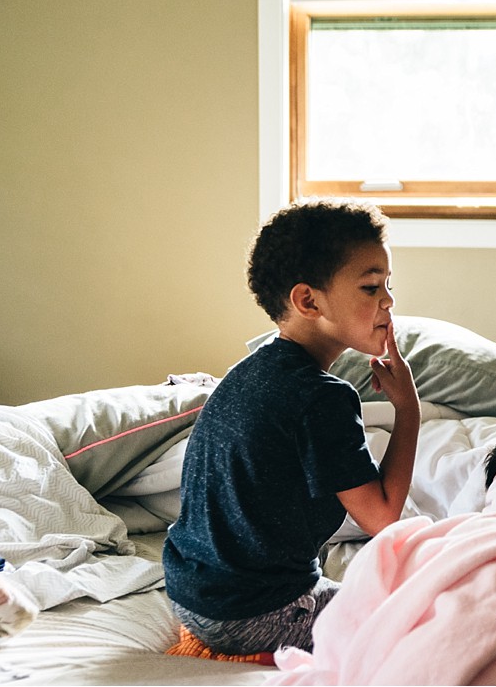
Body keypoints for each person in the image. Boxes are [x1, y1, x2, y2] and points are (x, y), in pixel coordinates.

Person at [163, 199, 421, 656]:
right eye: (370, 287)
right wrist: (409, 410)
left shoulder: (251, 369)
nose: (388, 301)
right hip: (254, 614)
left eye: (388, 285)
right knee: (421, 617)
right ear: (308, 300)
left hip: (191, 597)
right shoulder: (323, 397)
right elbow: (381, 517)